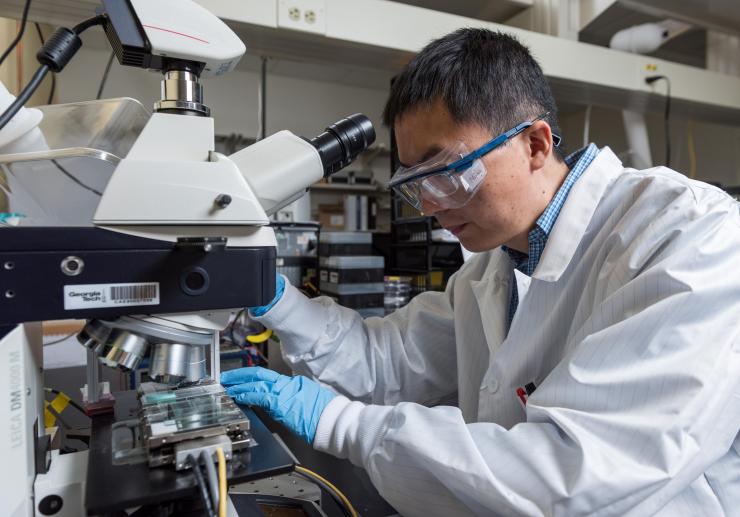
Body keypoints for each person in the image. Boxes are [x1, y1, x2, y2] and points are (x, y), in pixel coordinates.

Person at [221, 28, 740, 516]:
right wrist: (274, 296)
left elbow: (584, 468)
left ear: (535, 145)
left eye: (446, 172)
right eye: (414, 183)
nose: (428, 206)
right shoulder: (489, 271)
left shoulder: (687, 234)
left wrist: (341, 424)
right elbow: (388, 366)